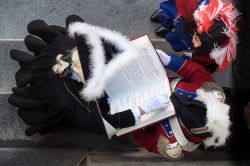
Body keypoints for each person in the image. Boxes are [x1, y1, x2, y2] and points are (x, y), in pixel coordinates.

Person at [9, 15, 231, 159]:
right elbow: (195, 72)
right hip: (145, 78)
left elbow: (142, 139)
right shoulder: (210, 92)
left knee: (70, 103)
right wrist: (169, 61)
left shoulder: (172, 144)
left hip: (120, 110)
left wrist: (140, 115)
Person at [150, 0, 239, 72]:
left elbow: (201, 65)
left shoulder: (210, 54)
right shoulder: (203, 6)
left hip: (188, 30)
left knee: (178, 37)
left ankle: (169, 27)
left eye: (196, 42)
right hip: (188, 17)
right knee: (175, 9)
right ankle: (166, 16)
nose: (194, 43)